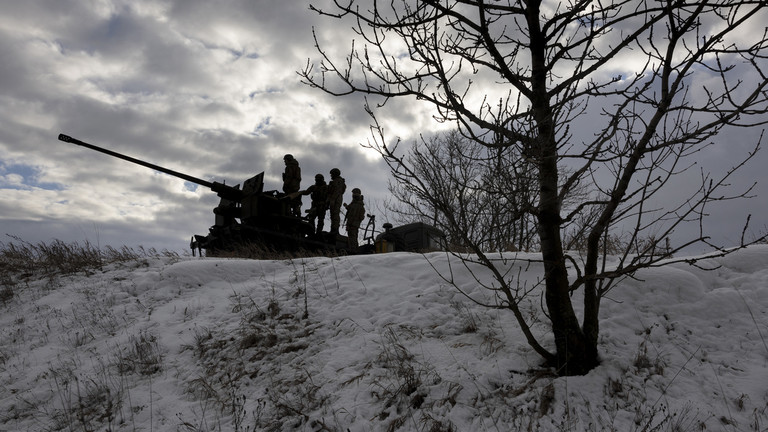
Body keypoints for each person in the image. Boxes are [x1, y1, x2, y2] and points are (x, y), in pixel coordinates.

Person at [326, 167, 346, 235]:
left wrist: (332, 200)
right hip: (334, 199)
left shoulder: (338, 181)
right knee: (333, 215)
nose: (331, 176)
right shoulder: (335, 181)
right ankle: (333, 229)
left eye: (332, 174)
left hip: (336, 199)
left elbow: (337, 192)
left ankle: (335, 230)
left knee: (335, 215)